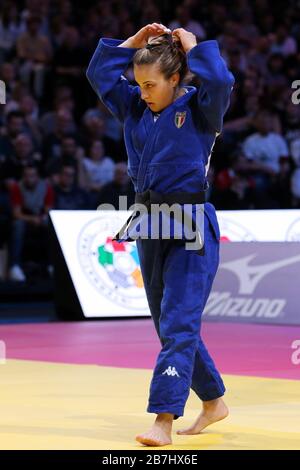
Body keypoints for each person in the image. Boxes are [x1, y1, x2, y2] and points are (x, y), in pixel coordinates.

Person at [86, 22, 234, 447]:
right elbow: (98, 77)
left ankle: (163, 419)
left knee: (180, 322)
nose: (144, 91)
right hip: (150, 222)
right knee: (168, 325)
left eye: (152, 83)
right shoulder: (133, 107)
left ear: (175, 78)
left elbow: (221, 78)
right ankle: (213, 402)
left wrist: (192, 45)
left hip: (190, 224)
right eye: (138, 83)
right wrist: (130, 44)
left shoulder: (204, 109)